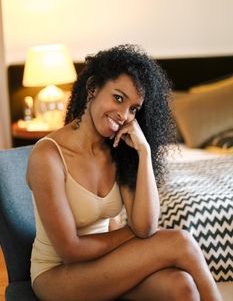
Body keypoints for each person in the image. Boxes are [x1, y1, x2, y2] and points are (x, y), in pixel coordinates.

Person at [27, 44, 222, 301]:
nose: (123, 115)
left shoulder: (119, 150)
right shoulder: (48, 156)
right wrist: (131, 234)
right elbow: (70, 250)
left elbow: (147, 225)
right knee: (180, 242)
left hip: (102, 264)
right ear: (93, 88)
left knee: (182, 285)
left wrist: (143, 152)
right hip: (57, 275)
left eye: (133, 109)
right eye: (118, 98)